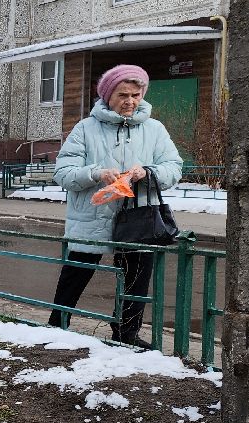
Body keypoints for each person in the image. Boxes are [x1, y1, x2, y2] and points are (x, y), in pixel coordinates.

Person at [47, 64, 182, 346]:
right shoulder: (86, 128)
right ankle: (56, 326)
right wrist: (95, 173)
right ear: (108, 95)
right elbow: (62, 173)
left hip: (139, 216)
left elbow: (174, 167)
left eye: (136, 94)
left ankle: (126, 333)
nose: (130, 101)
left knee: (136, 277)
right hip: (92, 217)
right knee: (76, 273)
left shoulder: (154, 129)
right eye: (123, 94)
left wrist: (147, 172)